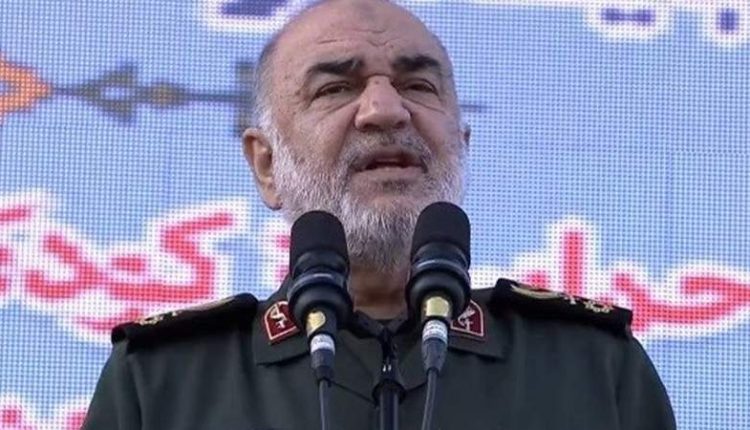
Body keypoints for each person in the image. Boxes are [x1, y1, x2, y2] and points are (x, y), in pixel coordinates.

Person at [81, 0, 676, 428]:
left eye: (418, 85)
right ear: (266, 165)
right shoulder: (163, 383)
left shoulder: (592, 368)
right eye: (335, 89)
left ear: (461, 143)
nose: (386, 110)